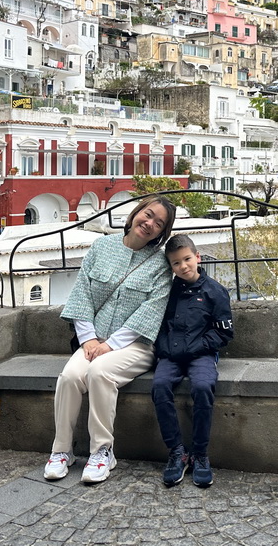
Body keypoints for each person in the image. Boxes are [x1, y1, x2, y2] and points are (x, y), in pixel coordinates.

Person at [43, 196, 177, 485]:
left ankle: (102, 451)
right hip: (93, 340)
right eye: (148, 214)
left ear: (163, 232)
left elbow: (151, 311)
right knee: (69, 377)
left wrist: (110, 345)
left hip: (136, 346)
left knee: (99, 373)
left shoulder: (160, 264)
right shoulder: (101, 247)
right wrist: (89, 339)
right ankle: (62, 450)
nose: (150, 223)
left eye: (159, 223)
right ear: (136, 213)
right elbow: (82, 295)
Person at [151, 235, 234, 488]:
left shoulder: (215, 291)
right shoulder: (167, 290)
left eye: (187, 259)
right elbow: (158, 324)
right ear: (171, 267)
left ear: (197, 257)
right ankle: (177, 451)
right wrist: (164, 348)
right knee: (160, 386)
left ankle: (200, 453)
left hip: (202, 354)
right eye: (176, 263)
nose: (183, 266)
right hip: (170, 355)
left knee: (202, 387)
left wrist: (195, 347)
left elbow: (224, 332)